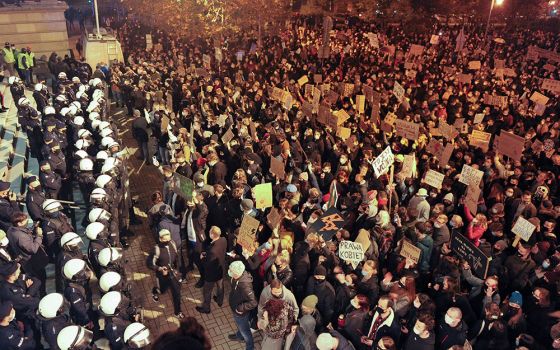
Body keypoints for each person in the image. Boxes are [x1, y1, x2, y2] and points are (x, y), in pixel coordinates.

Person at [148, 229, 184, 319]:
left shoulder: (173, 243)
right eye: (165, 241)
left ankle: (177, 312)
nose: (167, 242)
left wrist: (178, 269)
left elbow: (176, 256)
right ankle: (155, 291)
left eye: (169, 240)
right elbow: (150, 264)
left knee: (177, 293)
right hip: (162, 275)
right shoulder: (156, 249)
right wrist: (160, 268)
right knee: (162, 290)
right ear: (160, 239)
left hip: (172, 273)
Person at [196, 226, 227, 314]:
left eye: (210, 232)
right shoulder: (223, 240)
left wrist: (202, 258)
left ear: (213, 235)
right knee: (220, 287)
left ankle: (206, 308)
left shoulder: (212, 250)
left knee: (207, 291)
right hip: (220, 270)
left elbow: (207, 264)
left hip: (211, 275)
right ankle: (219, 301)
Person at [227, 260, 257, 350]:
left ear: (237, 273)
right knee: (242, 326)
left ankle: (250, 347)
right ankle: (239, 336)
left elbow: (253, 302)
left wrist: (240, 309)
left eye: (232, 271)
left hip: (240, 312)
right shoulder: (237, 277)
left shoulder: (245, 285)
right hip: (237, 308)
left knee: (246, 331)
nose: (230, 273)